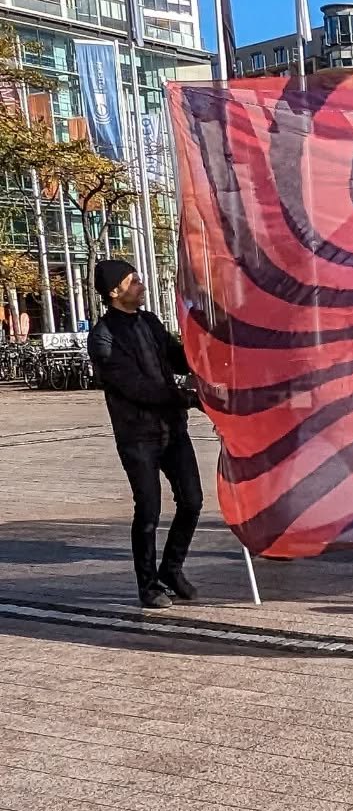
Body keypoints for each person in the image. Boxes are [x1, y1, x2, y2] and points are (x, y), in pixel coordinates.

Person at [87, 259, 204, 610]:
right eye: (133, 280)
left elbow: (177, 359)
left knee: (193, 500)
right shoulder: (103, 337)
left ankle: (172, 569)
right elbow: (136, 387)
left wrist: (204, 346)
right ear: (114, 292)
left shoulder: (150, 322)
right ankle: (148, 585)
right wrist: (186, 398)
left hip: (172, 430)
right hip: (137, 436)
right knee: (149, 510)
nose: (141, 284)